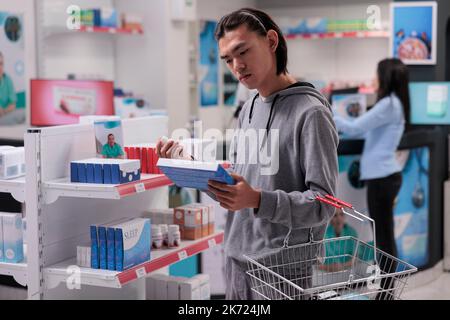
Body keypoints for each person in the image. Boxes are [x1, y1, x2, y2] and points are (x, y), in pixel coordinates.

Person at [157, 8, 338, 299]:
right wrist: (192, 168)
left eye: (243, 52)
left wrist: (257, 199)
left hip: (282, 274)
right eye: (228, 59)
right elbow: (239, 189)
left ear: (271, 41)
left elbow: (323, 204)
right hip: (237, 263)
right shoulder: (251, 107)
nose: (237, 66)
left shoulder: (311, 113)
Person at [333, 58, 409, 299]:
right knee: (385, 236)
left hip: (382, 179)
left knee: (384, 239)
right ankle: (387, 291)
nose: (374, 79)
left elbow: (355, 128)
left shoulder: (388, 104)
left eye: (377, 74)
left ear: (385, 77)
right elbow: (363, 128)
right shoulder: (394, 104)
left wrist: (329, 113)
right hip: (385, 177)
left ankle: (386, 293)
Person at [0, 51, 17, 120]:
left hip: (4, 116)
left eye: (1, 64)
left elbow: (13, 105)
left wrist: (3, 111)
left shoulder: (8, 80)